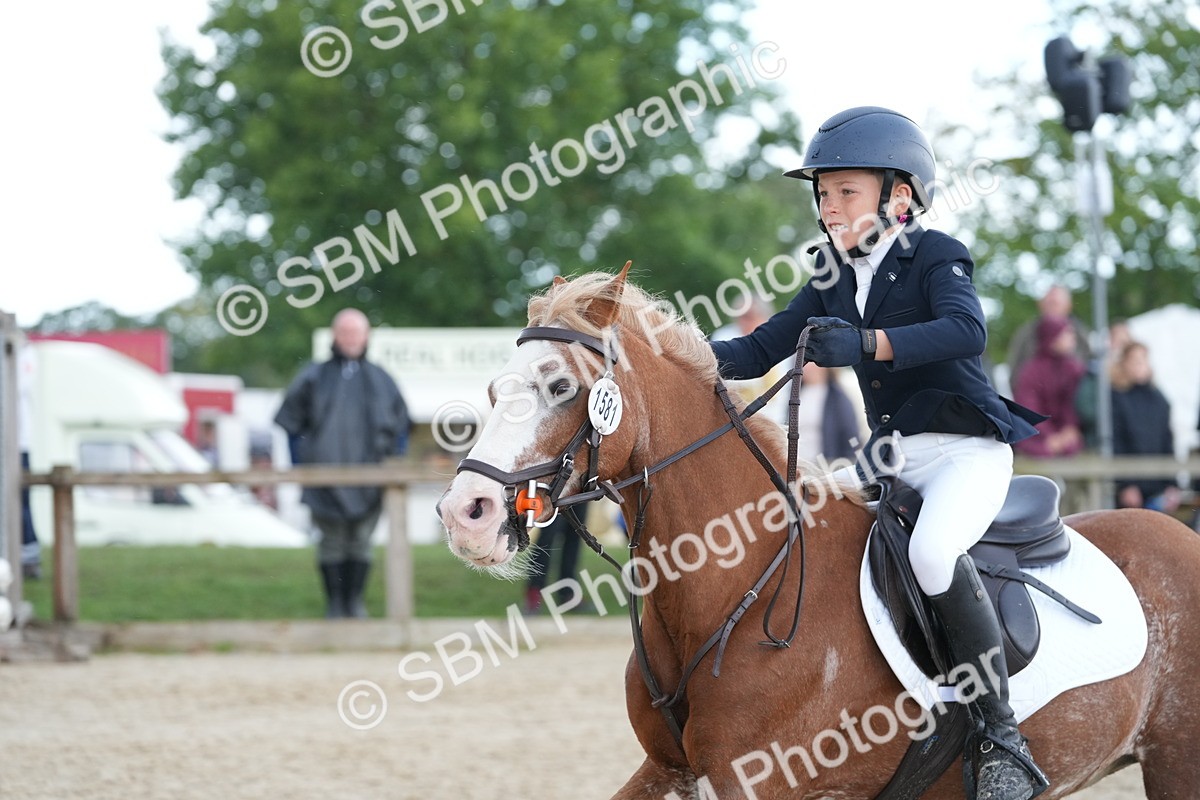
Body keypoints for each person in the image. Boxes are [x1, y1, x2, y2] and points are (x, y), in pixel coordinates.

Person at [709, 107, 1049, 798]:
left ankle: (1001, 733)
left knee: (929, 555)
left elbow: (965, 331)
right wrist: (661, 355)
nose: (829, 207)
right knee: (814, 533)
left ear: (899, 195)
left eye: (845, 192)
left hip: (964, 453)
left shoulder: (936, 254)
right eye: (823, 193)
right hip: (888, 457)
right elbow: (755, 350)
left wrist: (867, 346)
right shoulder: (833, 272)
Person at [274, 308, 410, 619]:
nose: (350, 338)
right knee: (332, 543)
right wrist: (303, 467)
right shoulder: (313, 376)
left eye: (356, 332)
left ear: (367, 336)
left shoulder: (381, 378)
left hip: (370, 481)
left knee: (361, 543)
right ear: (334, 335)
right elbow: (291, 424)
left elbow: (401, 427)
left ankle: (355, 603)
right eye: (345, 332)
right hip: (324, 481)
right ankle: (335, 605)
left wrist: (392, 464)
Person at [1110, 342, 1181, 513]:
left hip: (1157, 486)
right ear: (1124, 363)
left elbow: (1167, 442)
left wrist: (1172, 483)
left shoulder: (1159, 399)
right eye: (1135, 360)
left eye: (1143, 359)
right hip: (1130, 487)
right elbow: (1116, 442)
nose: (1141, 365)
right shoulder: (1116, 397)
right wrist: (1126, 485)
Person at [1012, 316, 1087, 458]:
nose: (1072, 337)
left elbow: (1074, 405)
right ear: (1053, 337)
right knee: (1038, 449)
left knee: (1074, 447)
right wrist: (1050, 436)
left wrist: (1070, 429)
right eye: (1067, 333)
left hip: (1068, 436)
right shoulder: (1031, 370)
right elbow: (1028, 410)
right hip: (1038, 436)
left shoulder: (1075, 369)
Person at [1006, 284, 1091, 393]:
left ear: (1068, 305)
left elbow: (1089, 372)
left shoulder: (1081, 334)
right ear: (1040, 305)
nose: (1052, 307)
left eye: (1056, 303)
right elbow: (1015, 370)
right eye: (1049, 303)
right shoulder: (1026, 334)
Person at [1075, 319, 1132, 449]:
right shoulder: (1095, 372)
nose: (1121, 347)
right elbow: (1086, 409)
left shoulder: (1138, 374)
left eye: (1126, 342)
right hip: (1100, 441)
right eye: (1119, 341)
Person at [523, 505, 588, 615]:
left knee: (575, 535)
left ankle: (568, 592)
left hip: (581, 491)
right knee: (547, 538)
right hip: (558, 492)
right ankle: (534, 593)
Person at [793, 363, 862, 465]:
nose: (806, 367)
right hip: (797, 463)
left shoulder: (837, 398)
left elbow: (849, 434)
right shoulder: (796, 395)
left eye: (811, 364)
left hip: (825, 464)